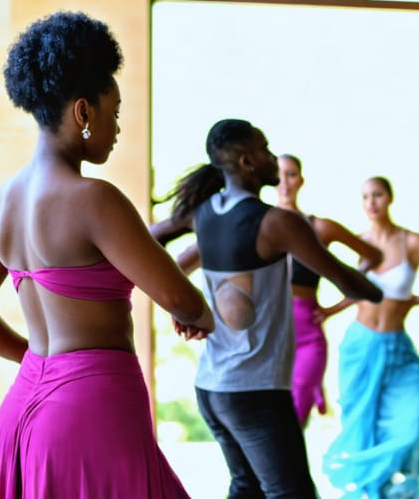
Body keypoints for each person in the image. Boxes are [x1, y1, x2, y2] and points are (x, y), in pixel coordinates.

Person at [0, 11, 215, 499]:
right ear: (83, 112)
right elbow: (180, 297)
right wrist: (199, 314)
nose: (116, 127)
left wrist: (37, 362)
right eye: (114, 111)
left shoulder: (5, 199)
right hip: (91, 413)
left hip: (25, 410)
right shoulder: (95, 199)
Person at [150, 119, 382, 499]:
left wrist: (177, 298)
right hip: (253, 390)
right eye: (265, 148)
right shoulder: (277, 222)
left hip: (211, 388)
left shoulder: (202, 212)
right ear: (246, 162)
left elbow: (148, 242)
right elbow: (343, 277)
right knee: (290, 493)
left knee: (248, 488)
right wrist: (376, 292)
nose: (272, 156)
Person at [322, 176, 419, 499]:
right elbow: (357, 291)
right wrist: (327, 311)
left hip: (398, 348)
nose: (371, 202)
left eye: (377, 195)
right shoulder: (360, 244)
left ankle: (400, 486)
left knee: (416, 417)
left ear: (389, 198)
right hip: (360, 346)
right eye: (365, 196)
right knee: (363, 427)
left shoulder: (410, 242)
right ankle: (373, 490)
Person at [275, 153, 383, 427]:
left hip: (308, 332)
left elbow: (372, 255)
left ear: (301, 180)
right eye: (279, 174)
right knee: (270, 420)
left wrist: (339, 304)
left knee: (296, 415)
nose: (285, 182)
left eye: (291, 174)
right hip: (271, 332)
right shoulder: (258, 224)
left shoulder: (319, 227)